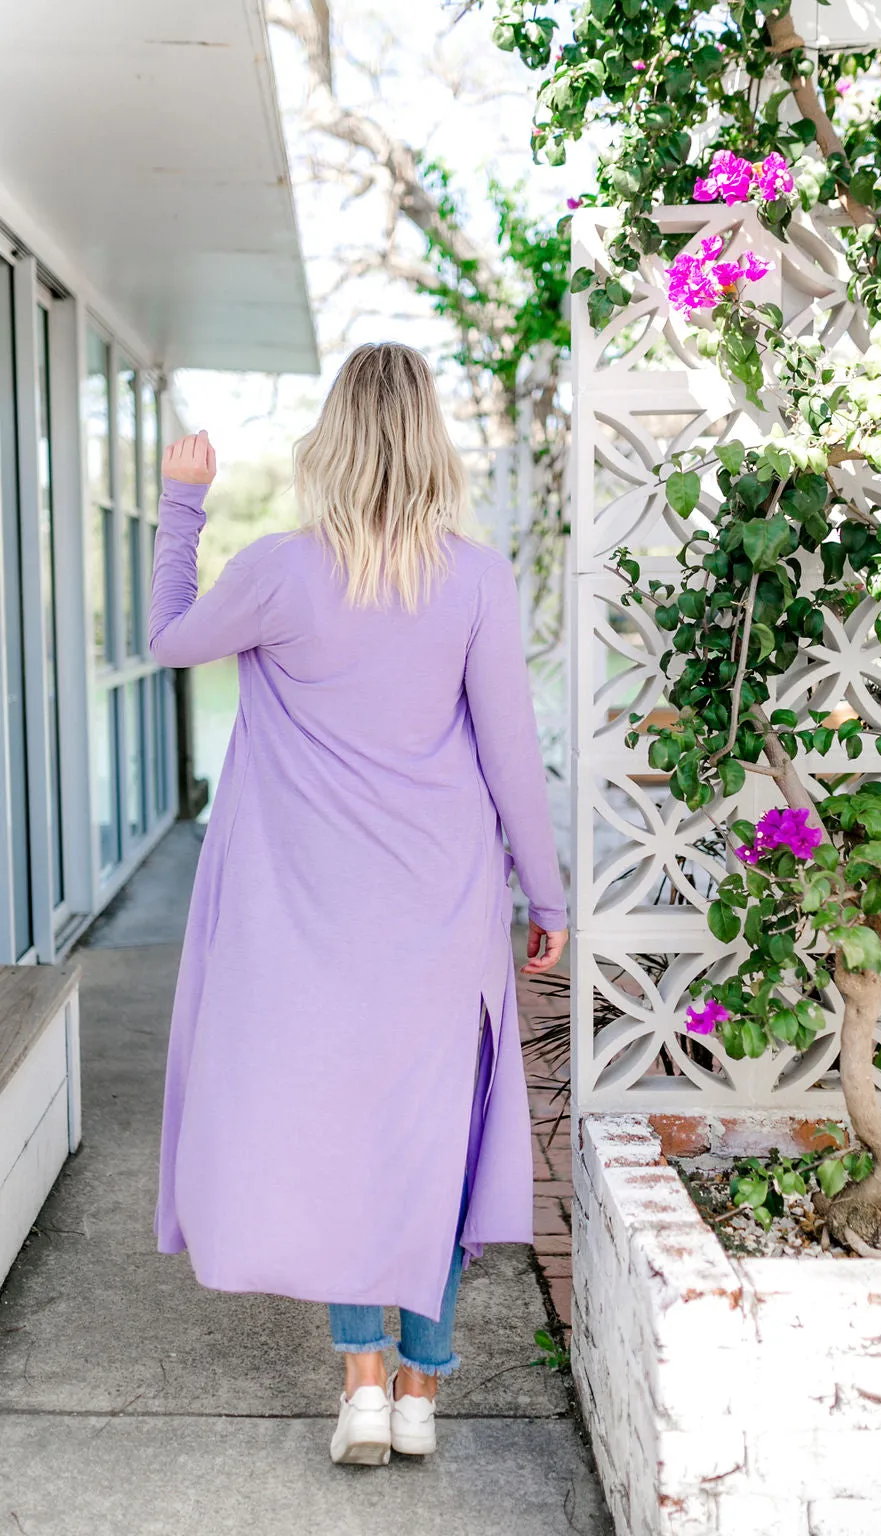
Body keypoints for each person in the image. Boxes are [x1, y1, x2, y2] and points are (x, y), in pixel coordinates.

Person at [150, 342, 568, 1466]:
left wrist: (181, 506)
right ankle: (425, 1397)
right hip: (440, 908)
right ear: (431, 439)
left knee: (346, 1145)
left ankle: (364, 1393)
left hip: (312, 924)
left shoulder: (281, 571)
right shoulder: (476, 577)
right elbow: (511, 755)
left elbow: (167, 641)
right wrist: (548, 890)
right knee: (437, 1145)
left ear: (330, 439)